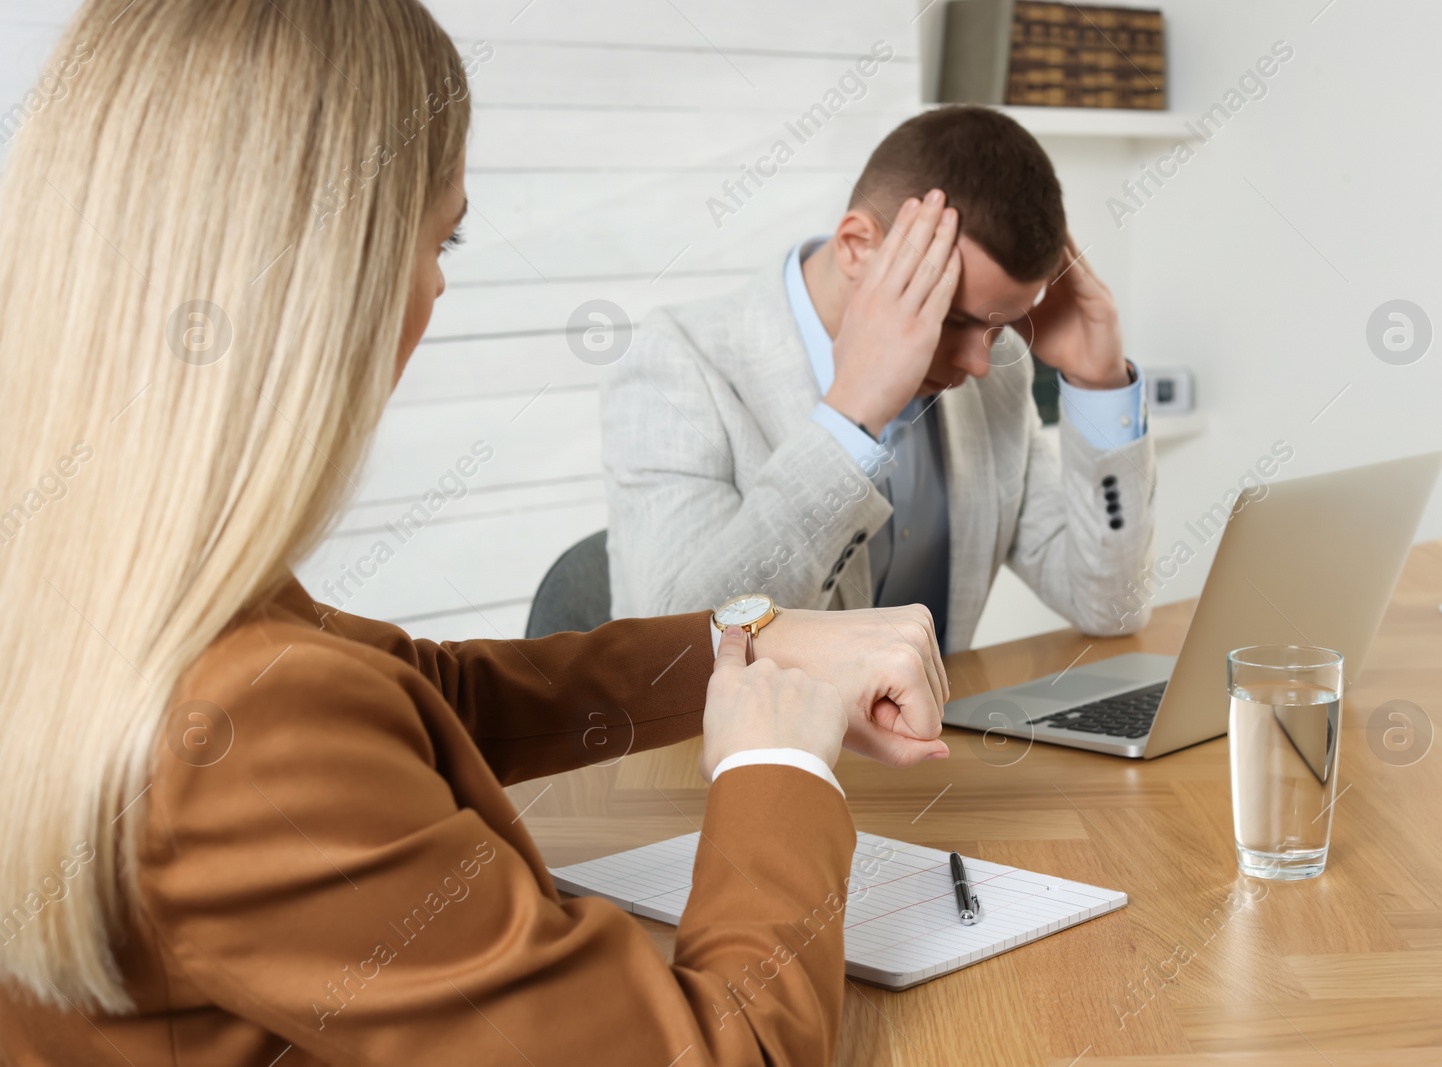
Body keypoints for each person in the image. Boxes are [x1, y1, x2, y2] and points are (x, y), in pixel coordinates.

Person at [0, 2, 949, 1064]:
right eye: (439, 236)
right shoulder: (242, 733)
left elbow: (420, 694)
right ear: (322, 278)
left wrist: (751, 643)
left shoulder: (95, 578)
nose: (440, 286)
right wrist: (779, 765)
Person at [602, 106, 1157, 652]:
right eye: (953, 316)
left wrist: (1101, 386)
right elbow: (678, 656)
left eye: (1001, 325)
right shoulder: (677, 364)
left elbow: (1109, 607)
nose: (980, 363)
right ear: (856, 247)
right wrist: (850, 419)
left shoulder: (995, 375)